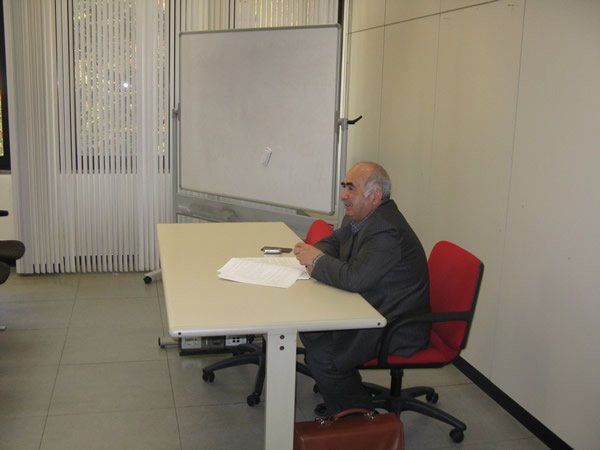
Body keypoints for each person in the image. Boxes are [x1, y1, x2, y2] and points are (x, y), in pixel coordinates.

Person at [293, 161, 430, 415]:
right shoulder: (360, 217)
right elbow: (334, 242)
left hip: (396, 323)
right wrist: (314, 253)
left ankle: (359, 419)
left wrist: (316, 260)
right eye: (344, 186)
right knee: (313, 332)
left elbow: (355, 279)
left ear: (375, 196)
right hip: (374, 305)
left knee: (326, 355)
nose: (343, 195)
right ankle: (343, 394)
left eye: (351, 188)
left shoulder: (386, 229)